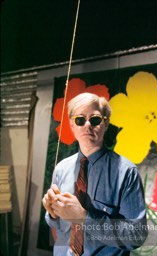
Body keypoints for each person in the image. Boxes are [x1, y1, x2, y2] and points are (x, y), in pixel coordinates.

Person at [42, 92, 148, 256]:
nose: (87, 125)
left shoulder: (126, 172)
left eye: (95, 119)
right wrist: (53, 213)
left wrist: (84, 217)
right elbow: (55, 224)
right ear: (71, 125)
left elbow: (136, 236)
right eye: (80, 119)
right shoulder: (61, 168)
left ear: (106, 123)